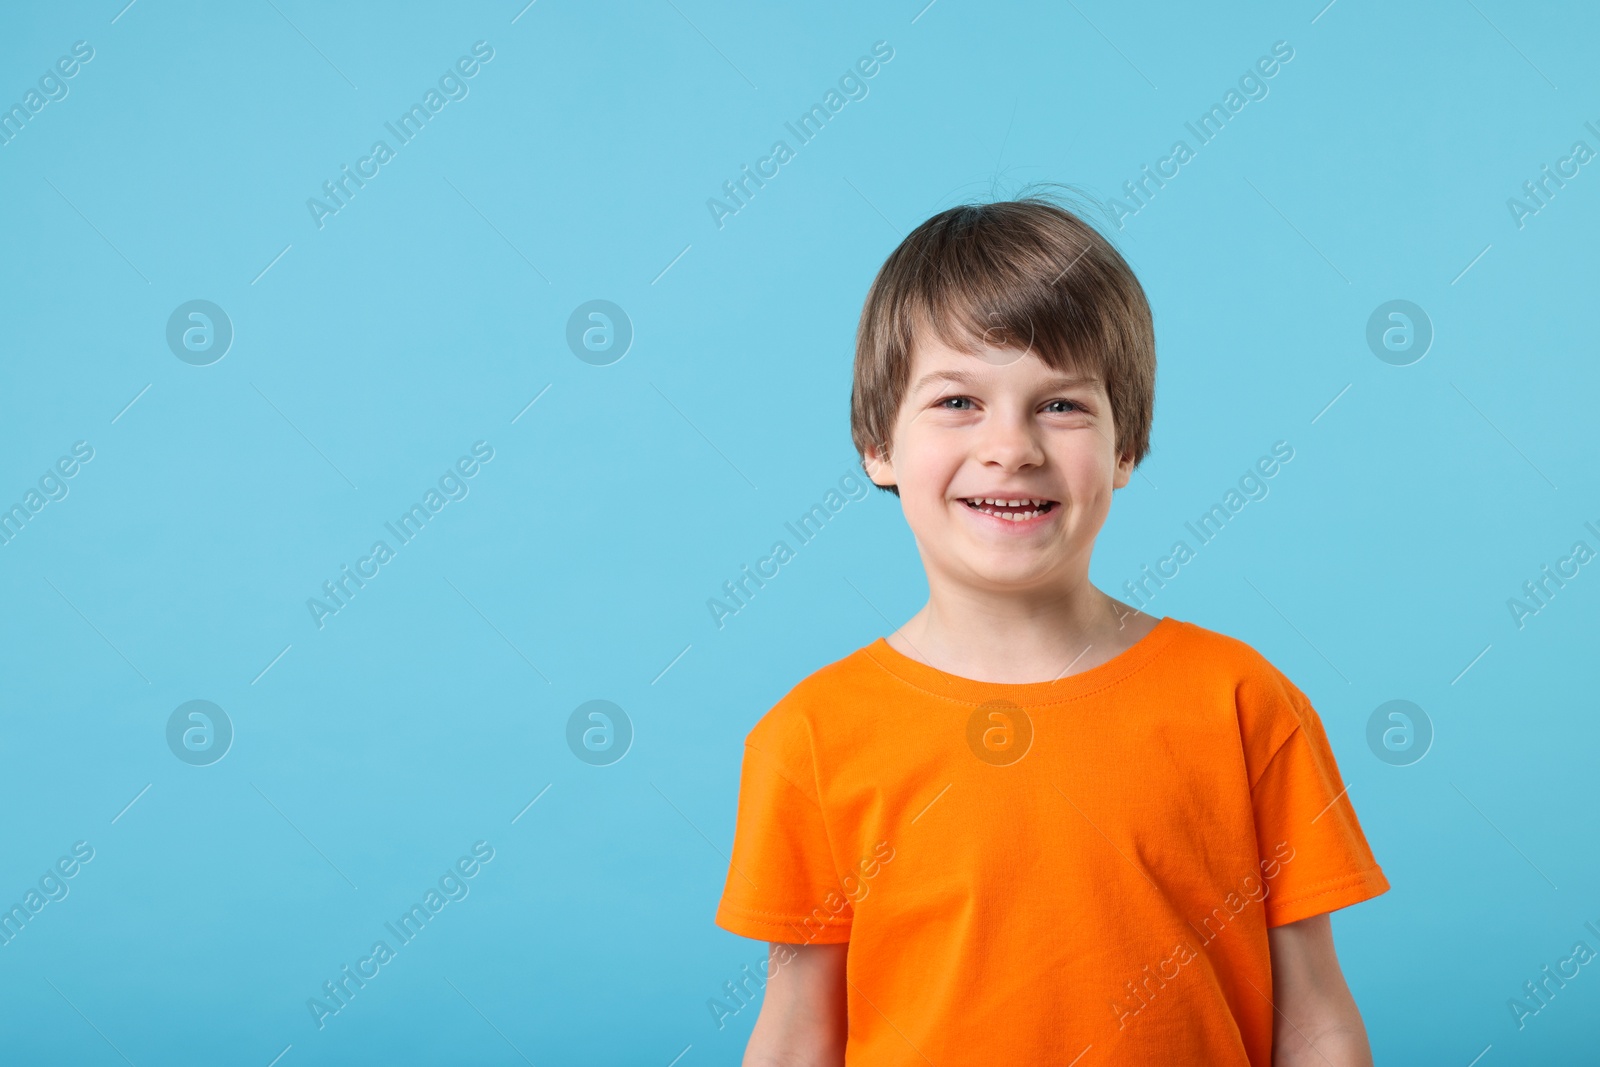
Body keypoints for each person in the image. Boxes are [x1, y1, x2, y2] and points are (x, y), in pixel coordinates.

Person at [713, 191, 1389, 1065]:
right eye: (958, 401)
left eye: (1061, 406)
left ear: (1125, 448)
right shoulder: (807, 738)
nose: (1012, 446)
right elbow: (801, 1026)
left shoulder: (1241, 700)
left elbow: (1316, 1012)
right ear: (877, 443)